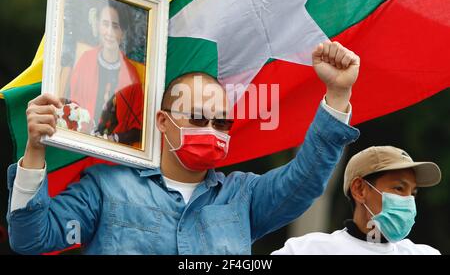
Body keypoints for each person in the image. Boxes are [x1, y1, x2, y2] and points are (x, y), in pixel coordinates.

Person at [7, 41, 360, 254]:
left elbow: (308, 177)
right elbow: (32, 239)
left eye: (221, 123)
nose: (210, 130)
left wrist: (338, 94)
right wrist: (36, 150)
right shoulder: (105, 187)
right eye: (196, 118)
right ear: (162, 122)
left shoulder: (244, 197)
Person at [272, 146, 442, 255]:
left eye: (413, 192)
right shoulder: (306, 250)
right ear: (359, 189)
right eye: (398, 188)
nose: (408, 201)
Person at [68, 0, 143, 146]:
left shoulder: (131, 75)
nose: (109, 32)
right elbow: (71, 105)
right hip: (79, 144)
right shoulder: (85, 60)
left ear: (123, 32)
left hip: (114, 155)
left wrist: (114, 139)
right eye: (105, 24)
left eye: (115, 27)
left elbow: (138, 130)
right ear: (98, 25)